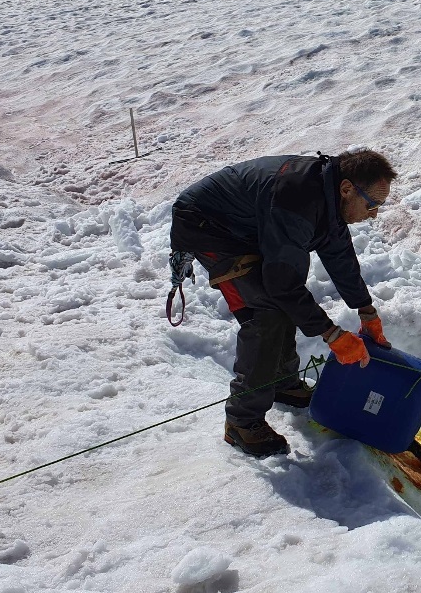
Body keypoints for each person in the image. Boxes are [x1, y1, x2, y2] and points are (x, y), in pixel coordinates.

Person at [168, 149, 397, 458]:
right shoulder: (297, 199)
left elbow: (339, 255)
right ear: (347, 189)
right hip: (208, 226)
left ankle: (282, 382)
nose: (374, 214)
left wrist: (366, 310)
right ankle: (242, 421)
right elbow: (282, 285)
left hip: (248, 227)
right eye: (372, 204)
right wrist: (332, 335)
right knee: (268, 311)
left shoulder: (328, 195)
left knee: (284, 298)